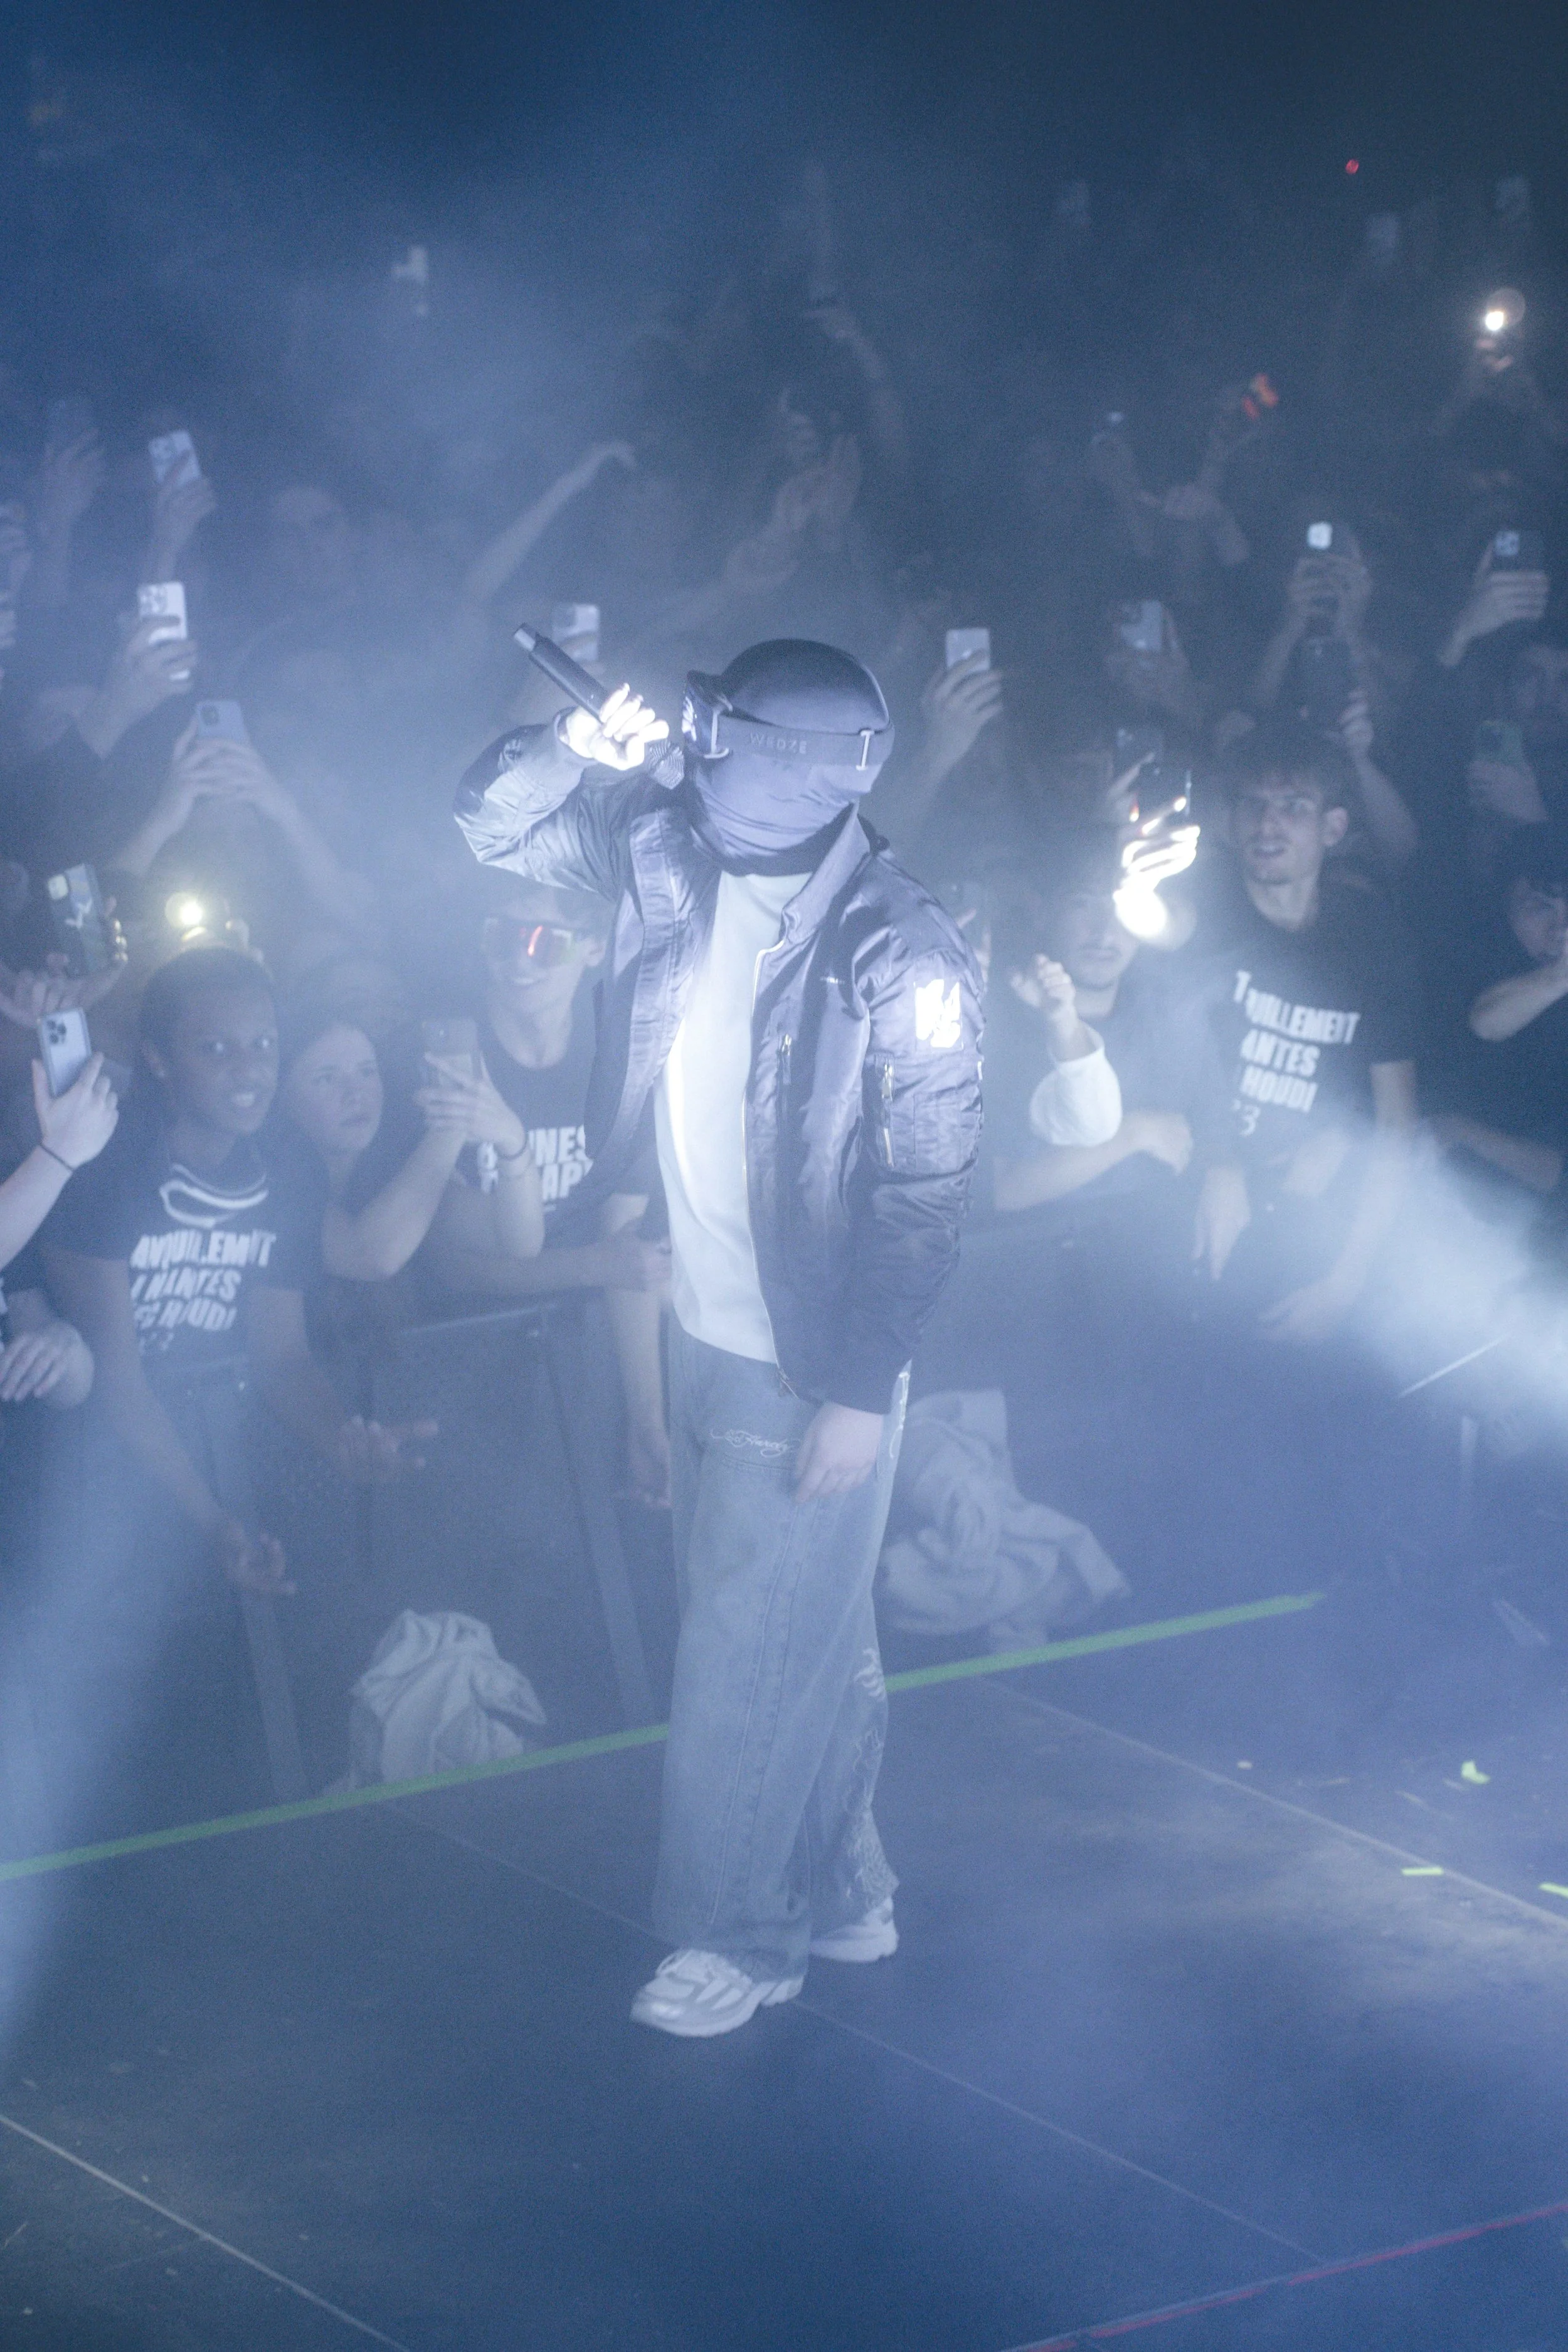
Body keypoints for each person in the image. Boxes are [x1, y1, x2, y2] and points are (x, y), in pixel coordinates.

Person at [455, 636, 982, 2036]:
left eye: (717, 729)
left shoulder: (900, 947)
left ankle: (742, 1941)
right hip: (698, 1314)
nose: (693, 742)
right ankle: (846, 1883)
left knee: (745, 1646)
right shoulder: (666, 852)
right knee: (809, 1625)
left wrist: (861, 1390)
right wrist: (577, 745)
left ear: (792, 767)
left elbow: (924, 1193)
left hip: (804, 1352)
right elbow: (484, 821)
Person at [423, 873, 672, 1506]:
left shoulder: (618, 1064)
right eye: (500, 937)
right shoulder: (448, 1052)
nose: (517, 959)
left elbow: (630, 1258)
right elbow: (456, 1265)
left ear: (594, 946)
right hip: (461, 1369)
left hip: (588, 1361)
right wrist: (592, 1265)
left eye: (543, 942)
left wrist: (645, 1418)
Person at [1197, 722, 1419, 1340]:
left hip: (1312, 1220)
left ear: (1333, 829)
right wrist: (1219, 1162)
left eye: (1292, 807)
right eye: (1254, 805)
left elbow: (1395, 1128)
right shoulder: (1196, 914)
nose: (1268, 824)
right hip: (1188, 1200)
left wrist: (1346, 1283)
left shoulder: (1371, 941)